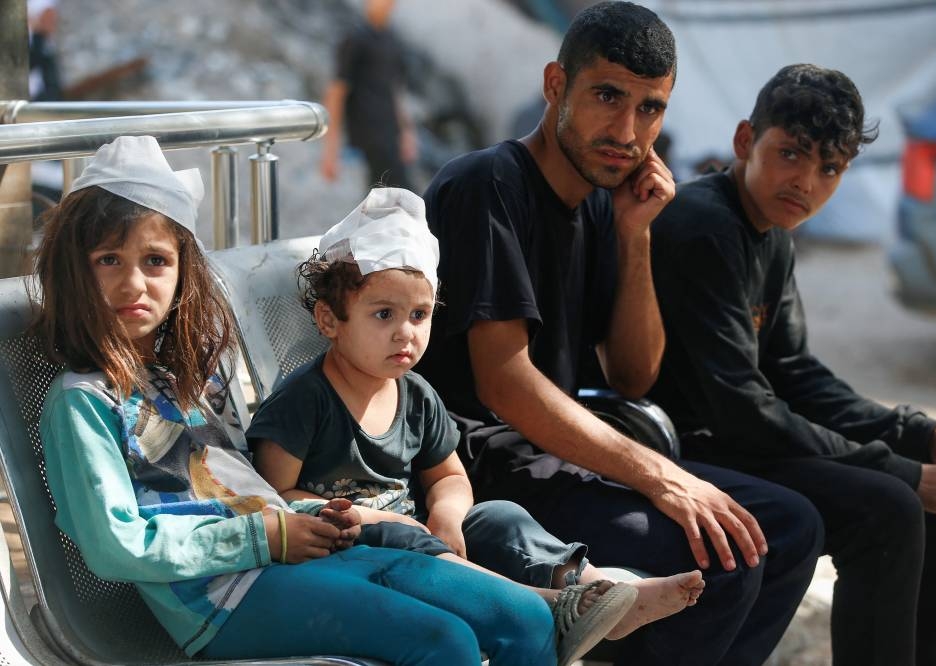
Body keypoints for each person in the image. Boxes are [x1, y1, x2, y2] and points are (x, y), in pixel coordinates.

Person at [33, 135, 560, 666]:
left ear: (181, 271)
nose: (134, 283)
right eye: (108, 260)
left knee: (525, 621)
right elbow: (114, 545)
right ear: (75, 270)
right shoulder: (82, 403)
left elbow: (247, 487)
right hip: (221, 601)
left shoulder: (192, 379)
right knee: (444, 643)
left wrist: (323, 514)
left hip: (291, 553)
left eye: (154, 261)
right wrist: (264, 537)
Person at [416, 3, 825, 665]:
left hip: (563, 460)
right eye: (608, 96)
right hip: (482, 475)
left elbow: (633, 376)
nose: (628, 130)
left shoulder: (603, 203)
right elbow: (505, 383)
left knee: (789, 527)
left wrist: (636, 238)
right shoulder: (487, 185)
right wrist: (662, 477)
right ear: (556, 86)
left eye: (650, 108)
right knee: (719, 560)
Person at [247, 186, 706, 665]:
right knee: (404, 534)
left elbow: (447, 476)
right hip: (350, 551)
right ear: (329, 319)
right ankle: (551, 607)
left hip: (419, 536)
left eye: (419, 315)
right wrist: (366, 517)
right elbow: (276, 496)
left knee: (498, 515)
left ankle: (592, 586)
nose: (406, 332)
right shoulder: (304, 400)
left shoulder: (416, 394)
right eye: (384, 315)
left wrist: (446, 513)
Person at [646, 63, 936, 666]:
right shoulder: (704, 225)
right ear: (743, 142)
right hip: (688, 449)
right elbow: (740, 406)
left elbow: (796, 372)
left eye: (829, 168)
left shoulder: (773, 231)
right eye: (791, 154)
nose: (805, 181)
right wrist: (907, 473)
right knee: (890, 507)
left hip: (744, 437)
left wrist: (921, 433)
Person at [320, 0, 416, 189]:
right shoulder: (355, 40)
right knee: (392, 199)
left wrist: (407, 133)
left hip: (390, 134)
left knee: (393, 200)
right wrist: (330, 152)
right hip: (367, 137)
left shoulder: (393, 41)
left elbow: (396, 91)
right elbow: (336, 92)